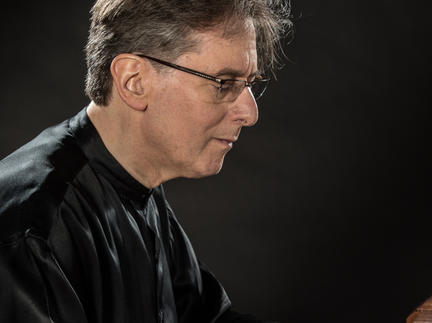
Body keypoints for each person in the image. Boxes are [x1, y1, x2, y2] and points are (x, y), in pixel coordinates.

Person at [0, 0, 292, 322]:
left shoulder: (136, 185)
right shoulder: (31, 232)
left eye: (249, 84)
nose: (250, 114)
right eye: (224, 83)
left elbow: (206, 318)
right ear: (134, 81)